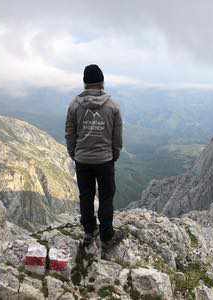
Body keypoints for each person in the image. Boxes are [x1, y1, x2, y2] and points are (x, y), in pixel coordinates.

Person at [65, 64, 124, 256]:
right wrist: (114, 154)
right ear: (102, 83)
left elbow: (70, 132)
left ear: (84, 83)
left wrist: (74, 152)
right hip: (105, 160)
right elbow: (117, 136)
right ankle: (107, 235)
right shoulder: (112, 106)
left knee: (86, 195)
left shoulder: (74, 105)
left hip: (83, 160)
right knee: (106, 196)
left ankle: (89, 232)